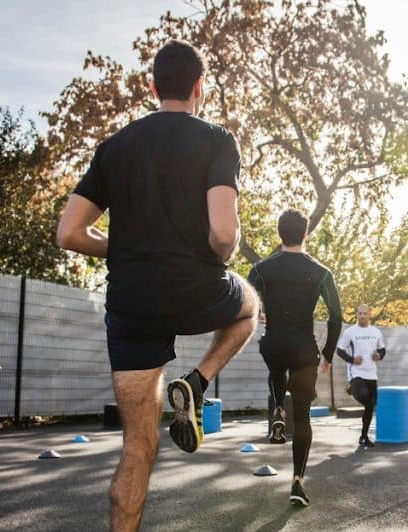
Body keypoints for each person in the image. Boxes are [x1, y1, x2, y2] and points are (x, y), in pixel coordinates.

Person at [55, 39, 258, 532]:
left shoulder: (116, 146)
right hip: (196, 289)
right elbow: (225, 234)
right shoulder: (216, 139)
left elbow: (69, 233)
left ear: (152, 87)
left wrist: (124, 247)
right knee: (250, 305)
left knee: (137, 446)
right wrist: (221, 254)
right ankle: (199, 379)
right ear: (199, 88)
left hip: (131, 304)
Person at [247, 209, 343, 506]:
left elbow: (244, 302)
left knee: (276, 367)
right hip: (304, 350)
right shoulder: (321, 272)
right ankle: (298, 483)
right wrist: (327, 354)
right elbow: (336, 317)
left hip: (273, 344)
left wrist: (257, 314)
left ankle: (277, 407)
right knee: (302, 418)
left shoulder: (262, 269)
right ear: (306, 234)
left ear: (279, 233)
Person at [335, 304, 386, 448]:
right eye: (360, 313)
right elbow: (339, 351)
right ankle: (353, 387)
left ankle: (363, 437)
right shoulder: (350, 332)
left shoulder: (376, 332)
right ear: (356, 315)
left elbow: (382, 350)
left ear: (370, 314)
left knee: (371, 404)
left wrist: (379, 356)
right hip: (356, 372)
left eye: (365, 313)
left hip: (371, 373)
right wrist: (352, 360)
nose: (362, 316)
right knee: (363, 395)